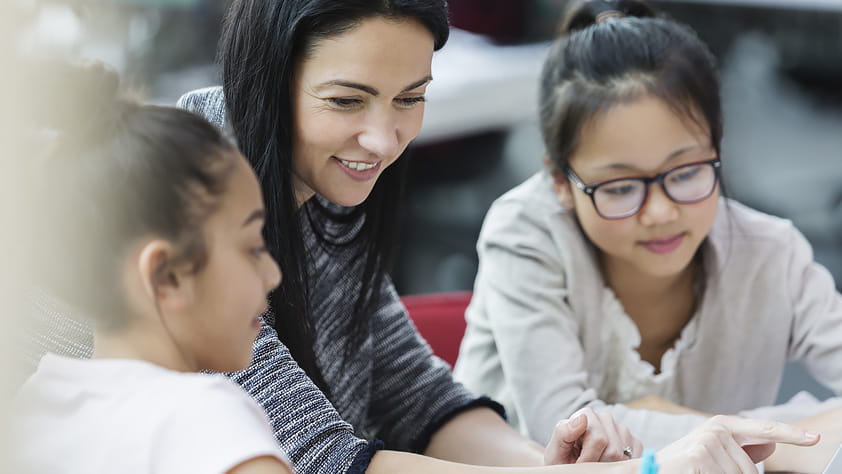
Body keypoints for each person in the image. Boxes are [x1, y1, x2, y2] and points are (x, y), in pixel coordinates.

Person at [26, 1, 822, 473]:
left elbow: (416, 396)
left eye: (411, 98)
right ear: (269, 77)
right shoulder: (200, 191)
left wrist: (542, 462)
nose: (383, 137)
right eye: (347, 100)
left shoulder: (326, 184)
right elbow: (323, 457)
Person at [453, 0, 842, 471]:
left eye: (685, 173)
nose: (660, 212)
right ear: (559, 181)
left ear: (717, 145)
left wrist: (676, 422)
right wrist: (784, 438)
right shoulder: (526, 232)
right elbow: (566, 431)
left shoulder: (770, 250)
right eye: (619, 187)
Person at [10, 63, 292, 474]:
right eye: (252, 247)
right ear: (167, 275)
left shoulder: (35, 407)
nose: (273, 274)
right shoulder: (208, 425)